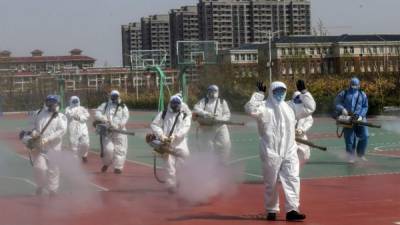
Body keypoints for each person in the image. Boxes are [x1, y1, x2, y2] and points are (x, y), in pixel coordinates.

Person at [245, 80, 315, 221]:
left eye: (282, 91)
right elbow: (249, 109)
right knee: (271, 182)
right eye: (276, 91)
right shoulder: (263, 107)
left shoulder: (291, 107)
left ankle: (292, 210)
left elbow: (309, 108)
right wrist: (258, 95)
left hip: (289, 150)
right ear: (271, 91)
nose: (280, 93)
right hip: (271, 151)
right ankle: (271, 210)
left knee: (293, 179)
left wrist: (304, 92)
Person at [150, 94, 191, 193]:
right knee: (169, 164)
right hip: (166, 142)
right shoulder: (164, 113)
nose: (175, 106)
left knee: (183, 160)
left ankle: (181, 181)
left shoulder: (184, 114)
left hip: (180, 142)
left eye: (177, 104)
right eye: (173, 104)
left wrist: (176, 136)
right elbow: (154, 124)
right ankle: (171, 186)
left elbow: (185, 127)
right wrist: (161, 135)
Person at [30, 95, 67, 196]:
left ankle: (53, 190)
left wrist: (48, 139)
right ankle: (40, 185)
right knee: (39, 168)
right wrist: (33, 132)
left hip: (54, 147)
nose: (50, 104)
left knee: (53, 169)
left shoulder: (61, 117)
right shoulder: (38, 113)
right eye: (49, 101)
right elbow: (32, 124)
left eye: (53, 102)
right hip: (39, 146)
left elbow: (61, 130)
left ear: (57, 103)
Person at [334, 77, 368, 163]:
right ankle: (350, 156)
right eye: (352, 85)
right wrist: (342, 109)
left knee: (365, 136)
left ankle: (361, 154)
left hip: (360, 119)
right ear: (350, 84)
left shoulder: (362, 94)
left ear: (359, 85)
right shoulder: (344, 93)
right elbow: (336, 103)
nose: (354, 87)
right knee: (349, 139)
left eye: (356, 85)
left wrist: (360, 115)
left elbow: (365, 106)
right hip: (348, 118)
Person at [193, 85, 231, 161]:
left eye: (214, 91)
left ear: (217, 92)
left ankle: (222, 162)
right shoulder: (204, 101)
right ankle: (209, 163)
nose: (212, 93)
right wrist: (206, 114)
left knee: (225, 144)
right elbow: (196, 109)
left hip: (220, 127)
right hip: (207, 128)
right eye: (210, 91)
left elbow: (227, 114)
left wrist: (220, 119)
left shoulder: (222, 101)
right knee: (208, 147)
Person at [95, 90, 129, 174]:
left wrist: (121, 125)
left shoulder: (123, 106)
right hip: (107, 131)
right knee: (108, 149)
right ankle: (106, 163)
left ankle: (118, 167)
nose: (114, 98)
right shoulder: (105, 105)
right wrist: (104, 119)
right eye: (113, 96)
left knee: (120, 149)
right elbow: (97, 113)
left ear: (118, 96)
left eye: (116, 96)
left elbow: (126, 116)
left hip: (119, 131)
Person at [290, 91, 314, 166]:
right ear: (293, 99)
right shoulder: (288, 110)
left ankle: (297, 165)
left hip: (301, 136)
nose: (299, 101)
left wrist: (302, 130)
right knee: (289, 155)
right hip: (290, 138)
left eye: (300, 99)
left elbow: (309, 121)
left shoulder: (305, 111)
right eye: (297, 99)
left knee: (306, 155)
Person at [65, 96, 90, 163]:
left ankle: (84, 155)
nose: (75, 102)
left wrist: (80, 117)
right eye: (73, 101)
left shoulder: (82, 108)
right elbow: (68, 115)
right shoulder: (68, 108)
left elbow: (87, 116)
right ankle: (75, 160)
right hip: (73, 128)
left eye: (76, 101)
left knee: (85, 143)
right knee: (73, 144)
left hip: (82, 128)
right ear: (70, 101)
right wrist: (75, 115)